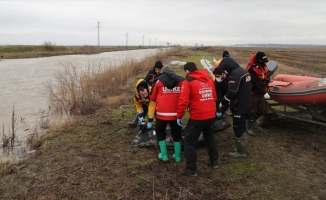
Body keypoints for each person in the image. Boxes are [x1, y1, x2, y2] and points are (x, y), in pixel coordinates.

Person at [177, 62, 219, 176]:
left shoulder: (188, 82)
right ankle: (214, 161)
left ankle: (191, 169)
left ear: (187, 71)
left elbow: (183, 101)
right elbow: (214, 97)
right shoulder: (209, 79)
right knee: (209, 138)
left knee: (189, 141)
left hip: (198, 116)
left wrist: (179, 116)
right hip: (211, 114)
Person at [217, 57, 252, 158]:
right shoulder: (243, 71)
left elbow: (232, 93)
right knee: (243, 126)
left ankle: (241, 152)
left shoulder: (235, 75)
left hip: (239, 106)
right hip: (246, 104)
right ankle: (244, 148)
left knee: (238, 127)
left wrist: (222, 102)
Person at [148, 66, 184, 162]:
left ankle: (164, 155)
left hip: (161, 114)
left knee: (160, 132)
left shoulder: (158, 81)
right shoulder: (181, 81)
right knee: (177, 134)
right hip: (176, 114)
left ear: (163, 73)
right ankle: (177, 156)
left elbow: (153, 97)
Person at [246, 52, 271, 136]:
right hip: (253, 92)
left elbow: (266, 76)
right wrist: (264, 93)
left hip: (261, 92)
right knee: (252, 111)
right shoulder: (252, 69)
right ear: (259, 60)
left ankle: (253, 122)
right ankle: (249, 127)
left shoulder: (264, 67)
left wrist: (267, 81)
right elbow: (255, 82)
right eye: (263, 60)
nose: (265, 62)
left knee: (263, 110)